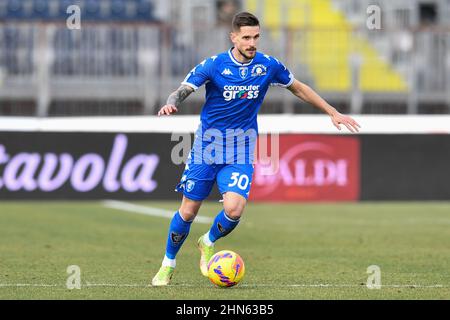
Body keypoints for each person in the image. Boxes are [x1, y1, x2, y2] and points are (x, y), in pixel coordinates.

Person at [152, 12, 360, 286]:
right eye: (247, 37)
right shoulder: (214, 65)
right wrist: (172, 102)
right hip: (207, 147)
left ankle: (208, 240)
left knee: (234, 209)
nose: (252, 43)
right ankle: (168, 263)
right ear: (234, 37)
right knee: (189, 211)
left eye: (256, 37)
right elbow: (182, 89)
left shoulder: (268, 66)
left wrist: (332, 111)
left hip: (241, 149)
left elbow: (298, 88)